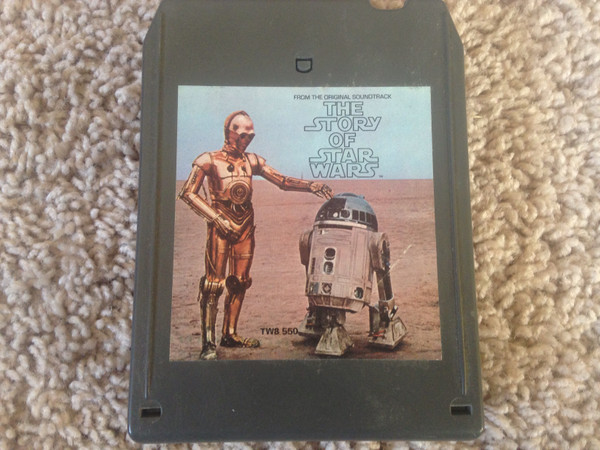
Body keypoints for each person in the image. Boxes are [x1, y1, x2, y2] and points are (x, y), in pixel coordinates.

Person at [178, 110, 333, 360]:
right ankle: (208, 342)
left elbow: (281, 181)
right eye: (243, 135)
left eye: (250, 136)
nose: (247, 140)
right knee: (213, 285)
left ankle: (230, 333)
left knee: (240, 281)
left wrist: (309, 185)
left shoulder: (252, 161)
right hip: (220, 224)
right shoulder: (208, 160)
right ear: (230, 132)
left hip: (245, 225)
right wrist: (216, 218)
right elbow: (188, 193)